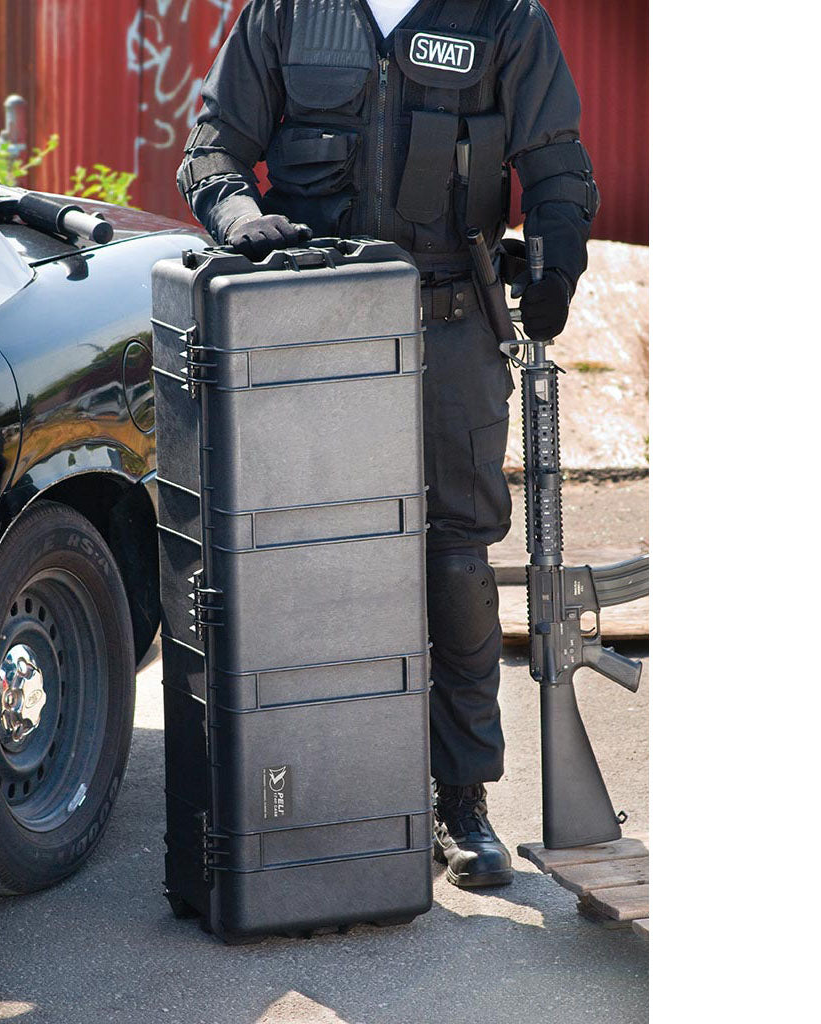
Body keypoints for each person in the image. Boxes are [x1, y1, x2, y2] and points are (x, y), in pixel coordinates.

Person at [176, 0, 599, 888]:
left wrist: (555, 267)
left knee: (456, 566)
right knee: (304, 561)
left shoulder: (503, 17)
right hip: (312, 330)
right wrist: (239, 216)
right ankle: (317, 796)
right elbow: (213, 146)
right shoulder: (288, 12)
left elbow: (556, 165)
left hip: (451, 327)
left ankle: (462, 803)